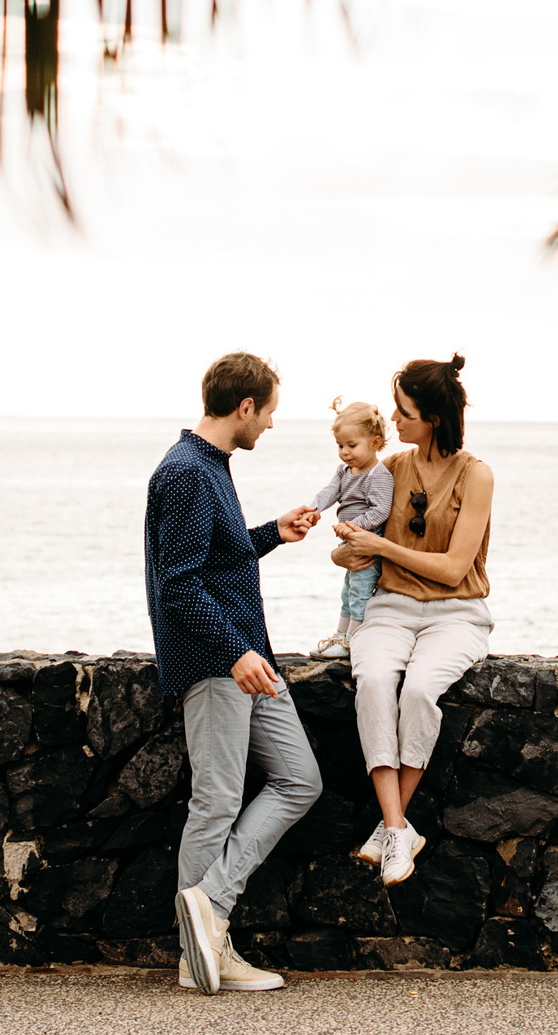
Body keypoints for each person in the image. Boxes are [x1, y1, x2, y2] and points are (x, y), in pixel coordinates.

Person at [143, 350, 324, 995]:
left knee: (300, 779)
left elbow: (216, 555)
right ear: (245, 407)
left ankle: (208, 910)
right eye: (269, 411)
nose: (271, 425)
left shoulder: (210, 465)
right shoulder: (187, 472)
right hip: (221, 661)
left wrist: (273, 532)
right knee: (215, 802)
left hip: (250, 656)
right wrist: (234, 651)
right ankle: (201, 961)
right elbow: (180, 586)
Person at [328, 353, 493, 888]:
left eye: (404, 412)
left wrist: (381, 545)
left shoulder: (477, 476)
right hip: (390, 608)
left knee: (420, 691)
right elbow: (356, 545)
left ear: (435, 418)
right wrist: (348, 548)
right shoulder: (389, 469)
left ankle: (390, 828)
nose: (392, 422)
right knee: (373, 681)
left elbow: (451, 570)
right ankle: (399, 826)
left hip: (456, 614)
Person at [305, 399, 395, 659]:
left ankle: (353, 640)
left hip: (368, 538)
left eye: (351, 445)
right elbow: (331, 491)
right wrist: (315, 508)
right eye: (340, 445)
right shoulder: (346, 469)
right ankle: (340, 636)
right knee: (348, 590)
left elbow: (380, 511)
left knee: (361, 590)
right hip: (351, 537)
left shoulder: (377, 475)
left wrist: (353, 527)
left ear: (375, 443)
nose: (344, 451)